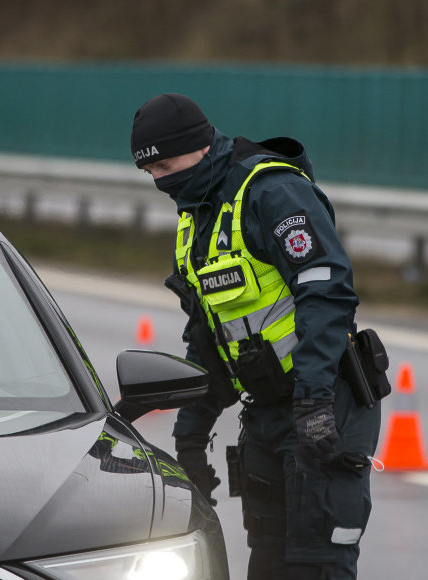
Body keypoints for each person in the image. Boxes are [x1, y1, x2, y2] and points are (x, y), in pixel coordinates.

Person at [130, 93, 382, 579]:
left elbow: (325, 293)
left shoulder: (271, 192)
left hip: (325, 405)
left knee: (315, 566)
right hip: (265, 416)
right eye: (150, 172)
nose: (160, 180)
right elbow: (207, 339)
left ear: (198, 146)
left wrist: (313, 400)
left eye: (165, 164)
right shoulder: (197, 217)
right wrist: (189, 437)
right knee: (267, 564)